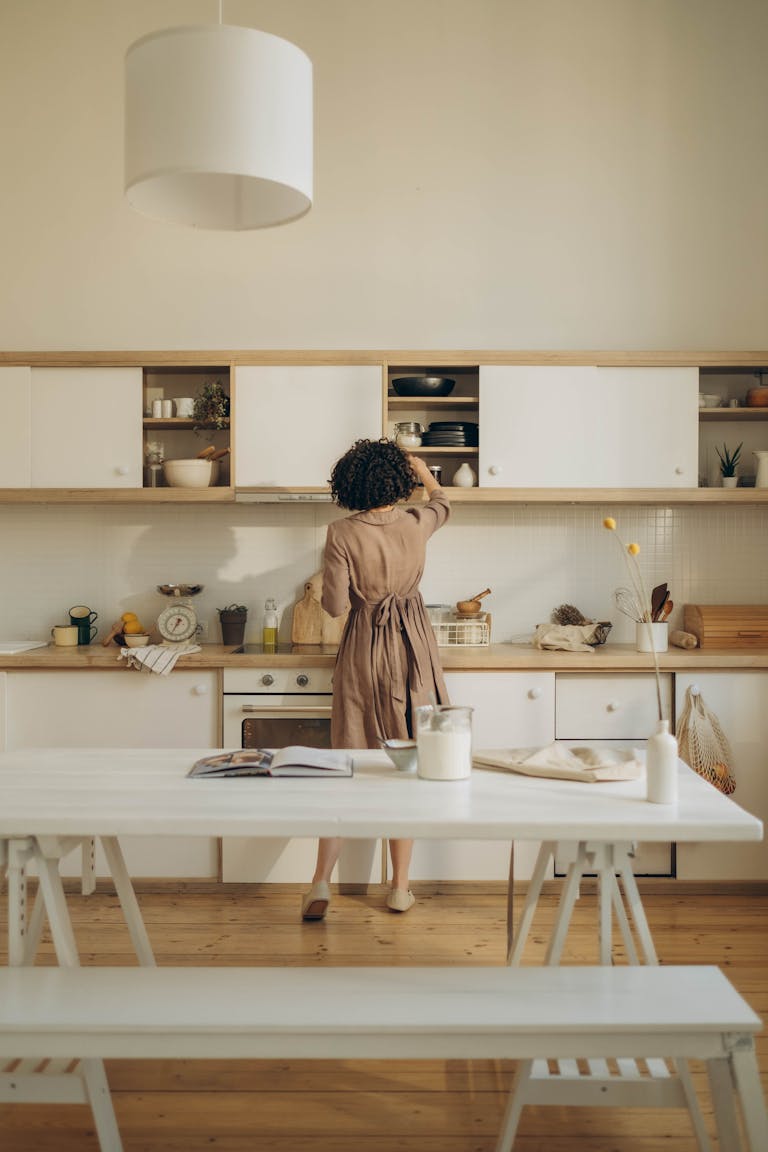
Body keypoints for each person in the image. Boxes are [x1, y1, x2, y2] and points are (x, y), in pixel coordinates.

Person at [301, 438, 450, 920]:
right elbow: (445, 503)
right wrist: (425, 472)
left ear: (349, 483)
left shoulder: (341, 532)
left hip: (365, 647)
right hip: (413, 649)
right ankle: (401, 888)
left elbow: (336, 607)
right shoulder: (415, 523)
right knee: (404, 766)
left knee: (347, 762)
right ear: (396, 481)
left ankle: (320, 883)